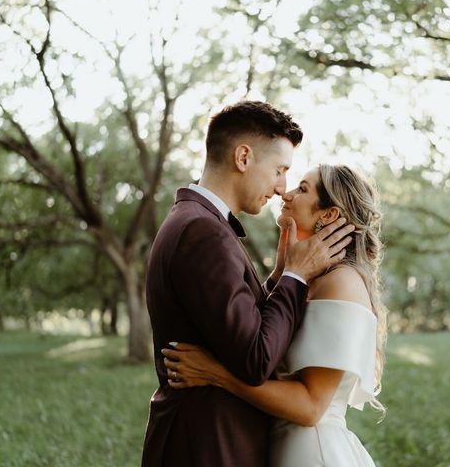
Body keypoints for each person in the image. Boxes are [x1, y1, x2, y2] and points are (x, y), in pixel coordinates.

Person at [140, 101, 355, 467]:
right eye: (280, 170)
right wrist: (295, 277)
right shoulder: (203, 231)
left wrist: (279, 276)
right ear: (243, 157)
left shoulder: (198, 222)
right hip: (208, 444)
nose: (281, 188)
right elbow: (255, 357)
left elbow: (232, 326)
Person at [162, 164, 387, 466]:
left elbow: (311, 408)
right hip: (281, 446)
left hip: (311, 451)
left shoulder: (341, 283)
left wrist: (216, 374)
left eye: (302, 189)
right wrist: (283, 273)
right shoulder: (309, 278)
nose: (286, 193)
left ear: (328, 215)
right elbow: (262, 335)